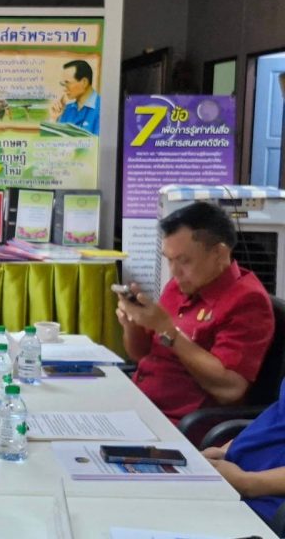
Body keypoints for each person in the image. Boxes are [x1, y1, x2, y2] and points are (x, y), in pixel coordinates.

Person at [116, 202, 274, 424]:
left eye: (184, 261)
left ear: (219, 253)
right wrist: (132, 324)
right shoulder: (178, 286)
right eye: (169, 259)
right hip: (140, 405)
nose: (174, 271)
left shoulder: (247, 301)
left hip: (179, 424)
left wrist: (169, 332)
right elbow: (141, 354)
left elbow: (231, 389)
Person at [202, 378, 285, 526]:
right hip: (235, 483)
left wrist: (246, 482)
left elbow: (248, 485)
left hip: (266, 508)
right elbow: (276, 417)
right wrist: (227, 450)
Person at [49, 59, 100, 134]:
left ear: (84, 82)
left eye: (67, 83)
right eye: (63, 84)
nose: (64, 89)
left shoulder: (103, 109)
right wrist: (53, 119)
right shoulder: (66, 110)